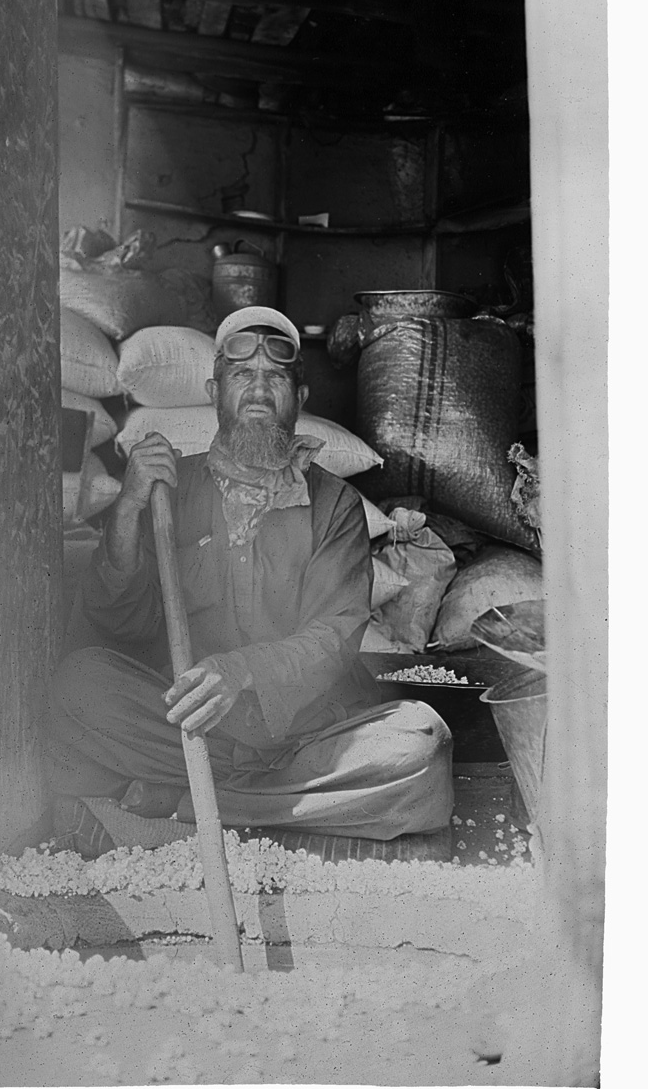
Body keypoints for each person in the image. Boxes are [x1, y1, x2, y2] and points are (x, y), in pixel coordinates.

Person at [38, 307, 453, 859]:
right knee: (75, 687)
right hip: (186, 730)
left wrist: (241, 671)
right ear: (214, 391)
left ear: (299, 396)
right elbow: (115, 618)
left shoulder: (334, 504)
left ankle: (185, 800)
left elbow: (334, 636)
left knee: (419, 749)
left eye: (275, 377)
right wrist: (129, 504)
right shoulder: (169, 488)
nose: (258, 391)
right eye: (242, 376)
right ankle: (270, 802)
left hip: (303, 736)